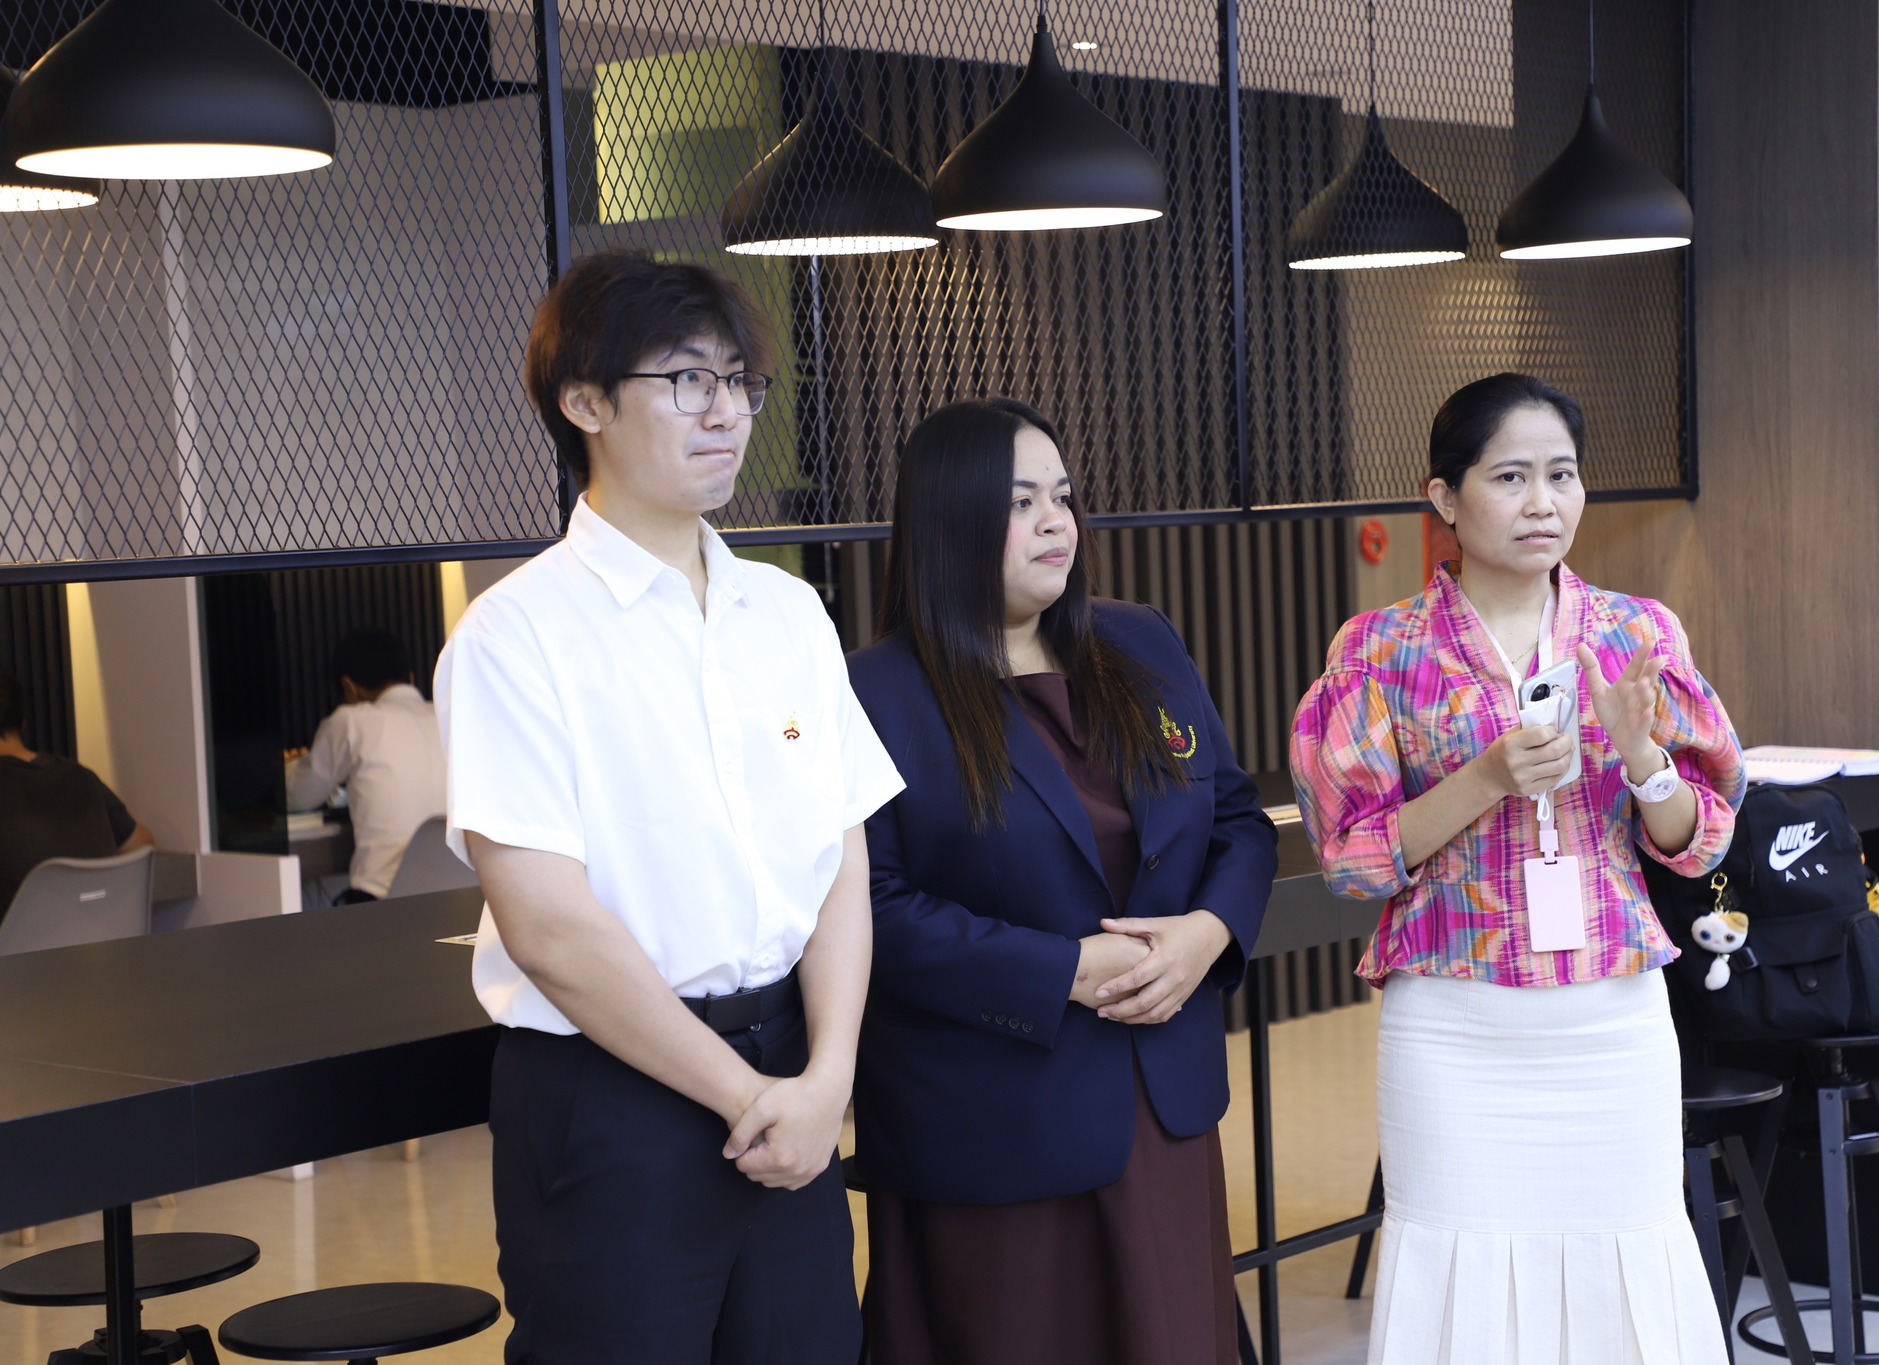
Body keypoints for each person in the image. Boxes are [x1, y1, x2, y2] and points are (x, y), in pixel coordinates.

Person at [434, 251, 902, 1364]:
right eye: (688, 380)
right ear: (584, 402)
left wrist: (826, 1076)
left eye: (740, 382)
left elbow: (840, 860)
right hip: (612, 1098)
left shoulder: (787, 613)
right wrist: (748, 1096)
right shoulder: (515, 637)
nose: (726, 412)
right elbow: (549, 927)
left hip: (791, 1075)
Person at [1290, 373, 1744, 1364]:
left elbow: (1698, 838)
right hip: (1452, 1026)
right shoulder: (1378, 651)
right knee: (1459, 1276)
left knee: (1625, 1264)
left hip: (1611, 1020)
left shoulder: (1634, 634)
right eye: (1510, 477)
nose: (1544, 502)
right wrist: (1485, 779)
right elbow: (1353, 860)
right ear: (1444, 498)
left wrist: (1643, 758)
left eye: (1562, 475)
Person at [847, 398, 1277, 1365]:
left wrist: (1208, 933)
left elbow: (1238, 818)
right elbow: (870, 904)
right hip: (995, 1118)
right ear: (950, 519)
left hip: (1160, 1101)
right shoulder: (876, 690)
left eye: (1063, 496)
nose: (1056, 522)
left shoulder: (1139, 641)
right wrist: (1061, 972)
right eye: (1020, 502)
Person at [286, 627, 446, 902]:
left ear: (349, 686)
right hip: (461, 894)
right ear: (410, 678)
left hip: (384, 902)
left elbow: (299, 795)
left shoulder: (352, 721)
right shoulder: (449, 719)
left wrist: (290, 765)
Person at [0, 666, 154, 912]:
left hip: (20, 937)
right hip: (104, 932)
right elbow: (141, 844)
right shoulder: (81, 777)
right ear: (23, 723)